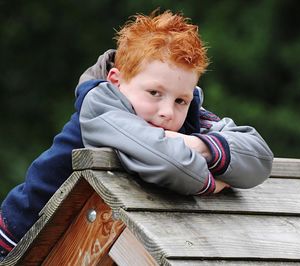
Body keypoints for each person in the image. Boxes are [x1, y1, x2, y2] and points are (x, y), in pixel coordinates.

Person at [0, 10, 273, 260]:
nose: (167, 112)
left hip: (99, 239)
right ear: (116, 81)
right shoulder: (101, 106)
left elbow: (259, 156)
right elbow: (174, 165)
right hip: (21, 242)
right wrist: (217, 182)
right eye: (154, 93)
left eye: (181, 100)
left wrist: (195, 144)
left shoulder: (182, 117)